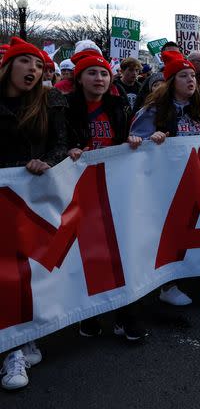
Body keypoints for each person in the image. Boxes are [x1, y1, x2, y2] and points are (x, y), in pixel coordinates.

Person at [130, 51, 200, 310]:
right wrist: (148, 141)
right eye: (184, 76)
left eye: (193, 76)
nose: (191, 80)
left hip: (197, 182)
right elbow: (132, 148)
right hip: (165, 188)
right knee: (171, 237)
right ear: (170, 81)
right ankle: (168, 286)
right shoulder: (151, 112)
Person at [64, 52, 151, 341]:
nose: (99, 79)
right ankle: (88, 315)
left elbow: (126, 137)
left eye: (103, 74)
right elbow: (56, 142)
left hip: (113, 186)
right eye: (91, 73)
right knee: (85, 253)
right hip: (76, 189)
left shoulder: (117, 107)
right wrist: (68, 152)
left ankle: (126, 315)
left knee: (120, 248)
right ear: (79, 78)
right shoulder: (63, 107)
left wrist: (134, 140)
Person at [0, 37, 69, 390]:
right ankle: (13, 348)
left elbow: (61, 142)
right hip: (2, 200)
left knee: (28, 271)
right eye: (25, 62)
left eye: (39, 65)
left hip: (33, 198)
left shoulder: (51, 101)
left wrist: (49, 162)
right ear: (8, 66)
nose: (33, 69)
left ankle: (22, 340)